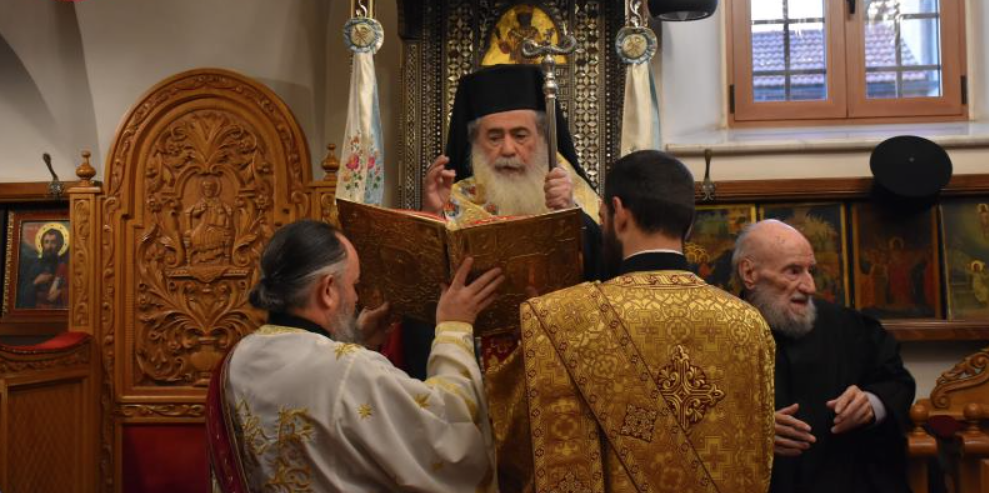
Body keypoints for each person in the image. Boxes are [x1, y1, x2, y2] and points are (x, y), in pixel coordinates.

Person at [493, 150, 776, 492]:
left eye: (602, 217)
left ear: (619, 213)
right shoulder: (748, 324)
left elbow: (509, 436)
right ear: (688, 225)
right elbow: (760, 451)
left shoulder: (561, 318)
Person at [209, 220, 505, 492]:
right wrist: (453, 328)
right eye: (353, 285)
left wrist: (357, 342)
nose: (356, 298)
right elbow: (447, 440)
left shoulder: (238, 359)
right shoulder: (347, 368)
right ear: (327, 289)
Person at [398, 64, 603, 379]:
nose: (508, 149)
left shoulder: (572, 194)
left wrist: (569, 214)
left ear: (542, 137)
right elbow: (419, 297)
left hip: (557, 363)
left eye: (520, 135)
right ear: (474, 141)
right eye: (494, 137)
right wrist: (432, 217)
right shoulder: (452, 199)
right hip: (475, 366)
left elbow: (606, 277)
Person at [733, 219, 916, 493]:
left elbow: (897, 381)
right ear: (749, 273)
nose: (810, 286)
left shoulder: (848, 326)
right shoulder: (714, 337)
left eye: (811, 271)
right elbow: (691, 420)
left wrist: (871, 403)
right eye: (793, 271)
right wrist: (749, 433)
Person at [17, 225, 69, 309]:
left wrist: (60, 292)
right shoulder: (35, 265)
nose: (49, 246)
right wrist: (36, 281)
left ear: (60, 244)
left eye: (53, 242)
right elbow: (22, 293)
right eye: (46, 242)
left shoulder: (64, 265)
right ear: (42, 244)